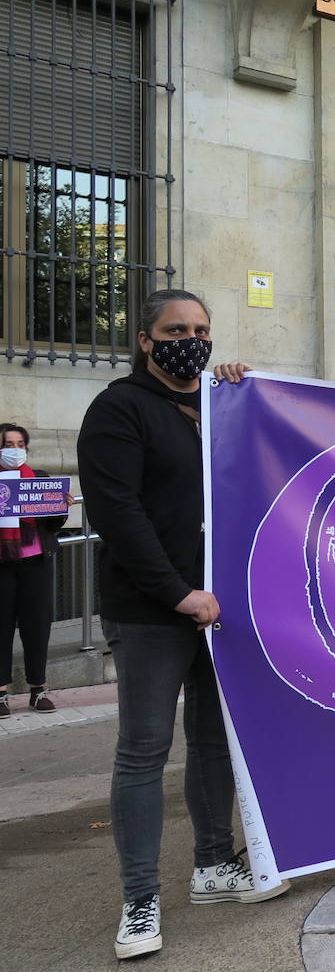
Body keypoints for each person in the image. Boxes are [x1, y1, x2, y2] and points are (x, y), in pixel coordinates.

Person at [77, 289, 288, 961]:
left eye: (200, 329)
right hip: (152, 613)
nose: (189, 340)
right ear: (145, 338)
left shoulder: (223, 406)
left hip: (219, 610)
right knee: (143, 749)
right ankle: (139, 900)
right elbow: (119, 515)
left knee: (212, 740)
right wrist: (178, 595)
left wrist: (245, 391)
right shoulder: (118, 409)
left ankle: (211, 865)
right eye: (175, 328)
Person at [0, 423, 71, 716]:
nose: (15, 450)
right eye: (8, 444)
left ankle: (38, 689)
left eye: (20, 445)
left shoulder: (39, 479)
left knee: (37, 627)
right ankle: (1, 692)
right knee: (1, 626)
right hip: (2, 565)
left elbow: (52, 525)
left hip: (36, 563)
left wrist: (61, 507)